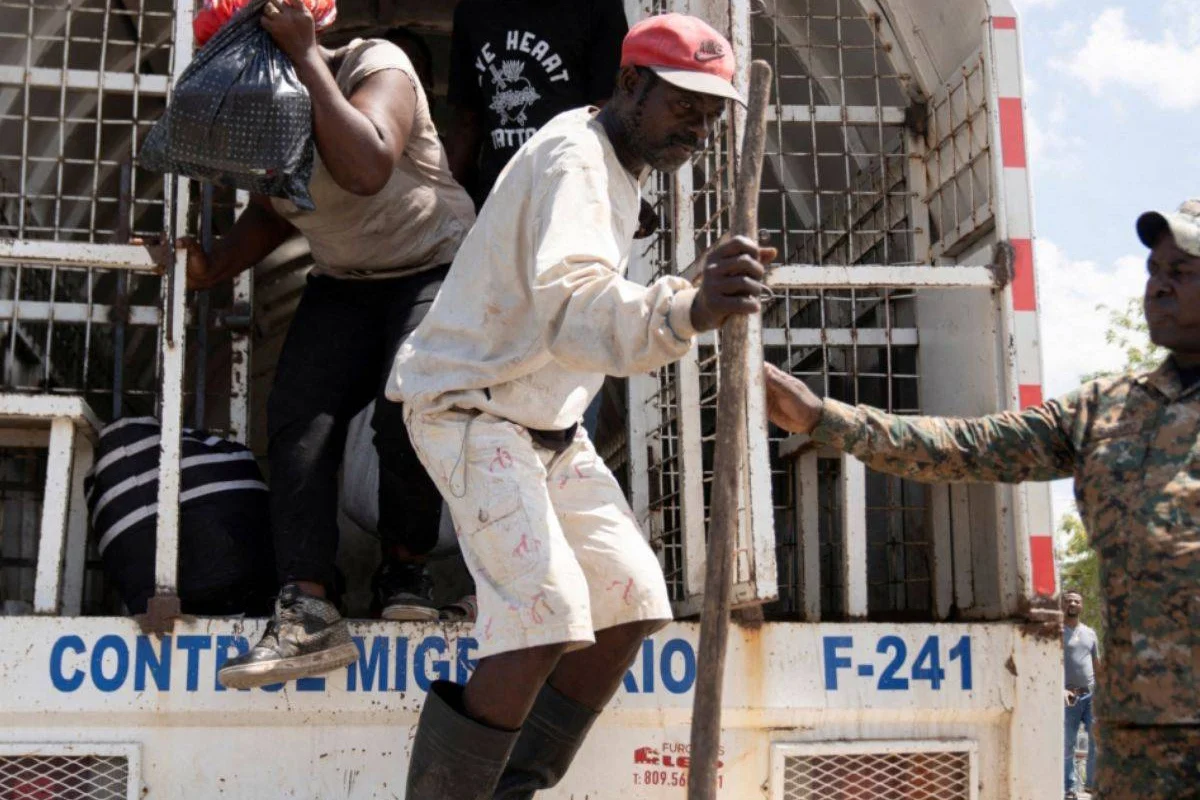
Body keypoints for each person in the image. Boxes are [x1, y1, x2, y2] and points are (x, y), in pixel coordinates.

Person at [388, 14, 771, 797]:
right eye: (683, 107)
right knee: (548, 611)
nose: (696, 130)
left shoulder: (616, 164)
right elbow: (574, 304)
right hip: (471, 409)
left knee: (632, 599)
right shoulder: (576, 160)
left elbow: (588, 304)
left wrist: (692, 291)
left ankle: (510, 786)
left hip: (548, 426)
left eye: (710, 116)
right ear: (630, 82)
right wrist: (689, 310)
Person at [762, 199, 1200, 800]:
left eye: (1182, 273)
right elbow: (967, 445)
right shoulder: (1108, 409)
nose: (1158, 288)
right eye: (1154, 271)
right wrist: (822, 418)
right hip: (1137, 746)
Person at [178, 0, 477, 688]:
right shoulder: (261, 105)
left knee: (407, 409)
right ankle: (307, 611)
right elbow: (275, 206)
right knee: (297, 423)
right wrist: (214, 266)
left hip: (436, 265)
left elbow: (367, 167)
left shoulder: (378, 65)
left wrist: (308, 59)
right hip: (345, 277)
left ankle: (406, 567)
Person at [444, 0, 629, 208]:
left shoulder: (597, 7)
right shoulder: (473, 11)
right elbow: (466, 124)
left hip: (570, 198)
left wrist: (625, 193)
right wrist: (449, 211)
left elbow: (610, 114)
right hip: (505, 204)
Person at [1062, 590, 1100, 799]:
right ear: (1062, 605)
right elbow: (1049, 663)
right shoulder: (1055, 632)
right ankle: (1069, 788)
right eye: (1069, 601)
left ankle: (1091, 785)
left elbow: (1097, 665)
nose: (1073, 604)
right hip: (1068, 697)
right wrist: (1060, 689)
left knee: (1097, 740)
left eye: (1077, 601)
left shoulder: (1090, 633)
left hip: (1091, 695)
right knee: (1067, 742)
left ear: (1082, 605)